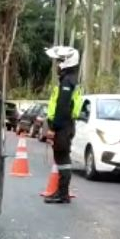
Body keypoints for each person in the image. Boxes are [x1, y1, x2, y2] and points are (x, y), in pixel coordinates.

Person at [43, 46, 83, 204]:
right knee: (61, 157)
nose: (58, 65)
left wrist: (53, 128)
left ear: (67, 62)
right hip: (65, 125)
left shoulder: (68, 81)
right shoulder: (69, 79)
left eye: (60, 61)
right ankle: (61, 192)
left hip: (63, 126)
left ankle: (63, 193)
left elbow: (62, 107)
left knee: (63, 158)